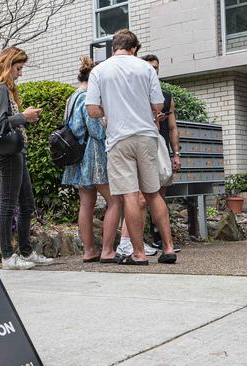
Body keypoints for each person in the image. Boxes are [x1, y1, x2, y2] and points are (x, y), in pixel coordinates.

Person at [85, 30, 177, 265]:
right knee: (153, 193)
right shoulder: (145, 68)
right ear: (134, 48)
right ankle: (168, 248)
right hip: (146, 136)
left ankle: (138, 253)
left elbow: (92, 109)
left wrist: (111, 112)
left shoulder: (99, 70)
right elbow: (158, 104)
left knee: (129, 196)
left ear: (114, 47)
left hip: (118, 139)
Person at [0, 47, 53, 269]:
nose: (20, 73)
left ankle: (25, 251)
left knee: (26, 203)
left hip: (12, 152)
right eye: (18, 68)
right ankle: (8, 256)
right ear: (8, 64)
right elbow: (1, 123)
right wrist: (24, 116)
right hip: (9, 153)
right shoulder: (1, 88)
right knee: (9, 204)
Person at [116, 54, 182, 257]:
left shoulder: (166, 97)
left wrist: (176, 153)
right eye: (150, 67)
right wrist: (154, 119)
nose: (153, 70)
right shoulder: (136, 93)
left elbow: (173, 128)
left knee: (156, 196)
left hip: (158, 147)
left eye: (156, 67)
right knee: (142, 198)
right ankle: (134, 243)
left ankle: (163, 244)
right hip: (142, 146)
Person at [62, 57, 121, 264]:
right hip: (93, 154)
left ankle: (88, 251)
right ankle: (107, 250)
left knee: (86, 203)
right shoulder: (88, 96)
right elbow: (96, 130)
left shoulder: (72, 97)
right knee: (116, 201)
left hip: (78, 156)